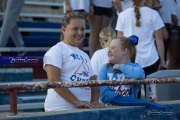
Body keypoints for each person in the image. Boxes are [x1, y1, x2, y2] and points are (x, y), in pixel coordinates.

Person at [43, 12, 104, 111]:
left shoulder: (84, 55)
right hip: (59, 110)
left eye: (83, 29)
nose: (80, 33)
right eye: (75, 29)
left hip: (83, 110)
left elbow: (93, 81)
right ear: (63, 30)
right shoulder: (56, 51)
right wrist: (76, 102)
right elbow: (53, 80)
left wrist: (94, 101)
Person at [115, 0, 166, 98]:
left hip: (131, 61)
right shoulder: (154, 14)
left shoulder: (122, 15)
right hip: (151, 60)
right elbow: (159, 41)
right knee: (152, 97)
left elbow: (119, 42)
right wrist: (162, 62)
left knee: (133, 97)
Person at [97, 36, 145, 105]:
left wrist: (119, 66)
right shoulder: (105, 68)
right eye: (109, 48)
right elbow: (102, 92)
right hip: (108, 112)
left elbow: (139, 75)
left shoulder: (135, 67)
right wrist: (121, 100)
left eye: (112, 48)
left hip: (129, 112)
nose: (109, 51)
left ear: (124, 51)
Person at [167, 0, 180, 69]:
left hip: (178, 27)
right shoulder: (169, 1)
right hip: (174, 29)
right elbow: (173, 16)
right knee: (173, 58)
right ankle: (167, 78)